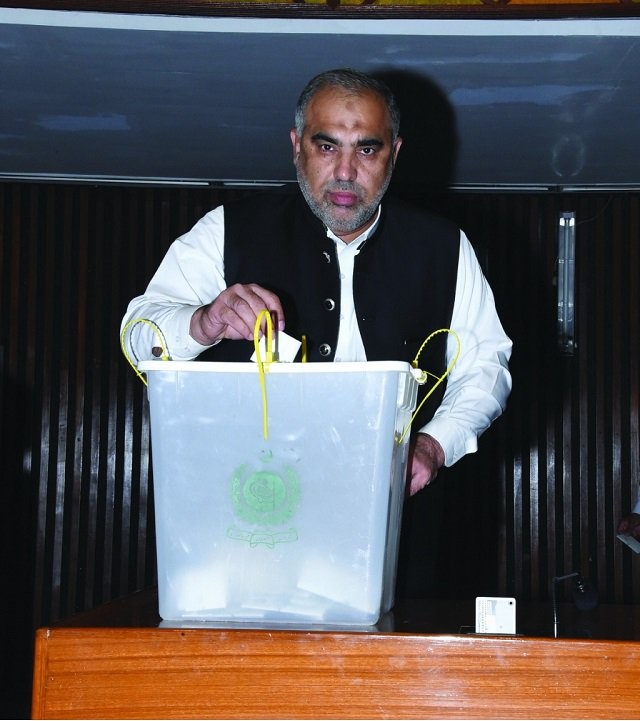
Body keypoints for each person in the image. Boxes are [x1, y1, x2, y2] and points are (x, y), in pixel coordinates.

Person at [122, 68, 512, 544]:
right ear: (296, 145)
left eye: (367, 149)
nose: (345, 172)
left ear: (395, 154)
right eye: (327, 146)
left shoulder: (445, 247)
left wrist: (433, 444)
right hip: (248, 522)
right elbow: (138, 333)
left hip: (399, 528)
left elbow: (486, 364)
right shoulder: (226, 230)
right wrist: (203, 322)